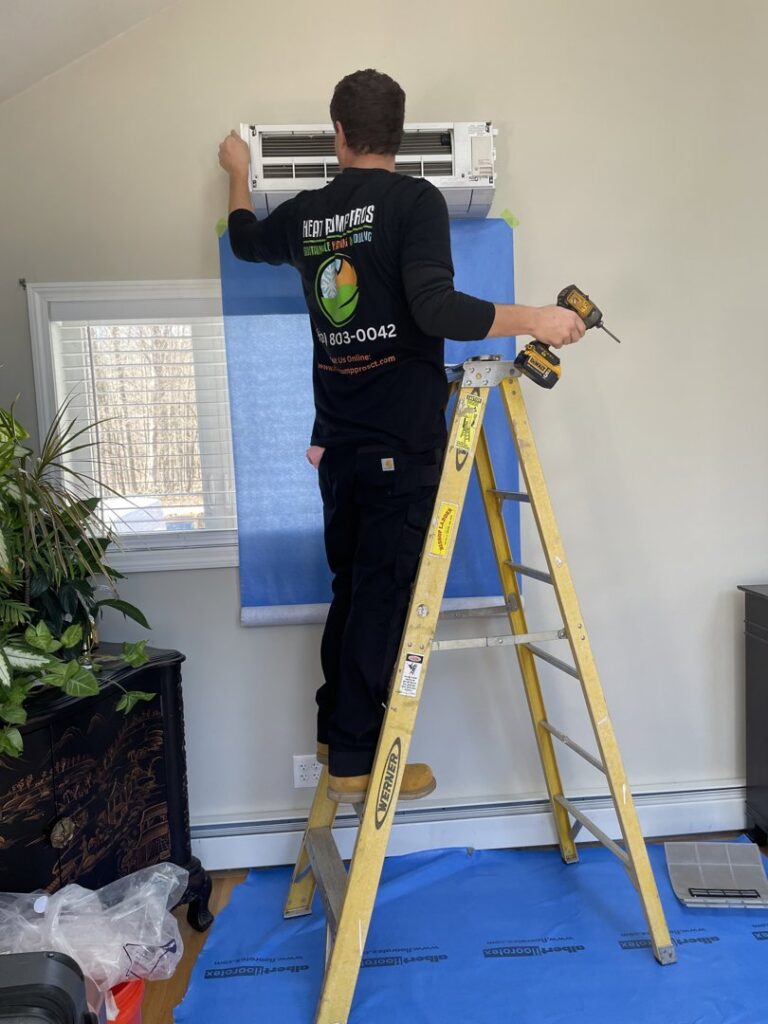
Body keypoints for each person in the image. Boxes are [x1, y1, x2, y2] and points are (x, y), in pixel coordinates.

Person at [218, 69, 584, 805]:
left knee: (353, 591)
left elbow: (244, 241)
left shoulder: (308, 213)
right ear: (400, 133)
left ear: (339, 134)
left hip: (339, 450)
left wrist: (237, 170)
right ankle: (356, 762)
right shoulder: (415, 202)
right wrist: (537, 319)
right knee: (381, 600)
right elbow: (435, 307)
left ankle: (337, 736)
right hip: (398, 445)